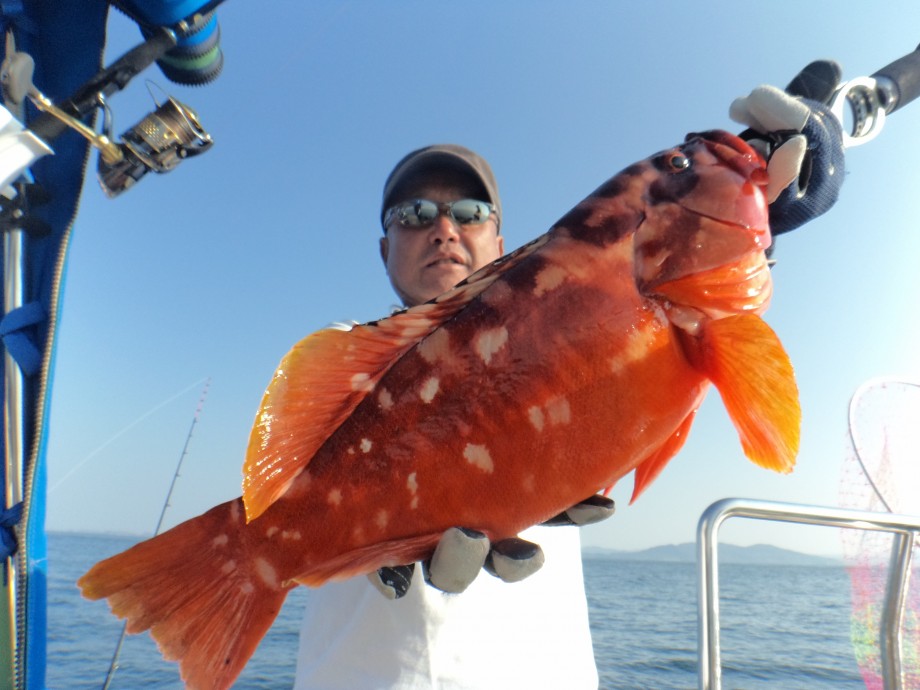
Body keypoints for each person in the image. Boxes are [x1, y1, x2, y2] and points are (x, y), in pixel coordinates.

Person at [293, 80, 846, 689]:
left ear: (502, 242)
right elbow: (288, 485)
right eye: (414, 215)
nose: (444, 228)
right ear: (384, 249)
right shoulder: (346, 364)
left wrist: (772, 193)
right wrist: (370, 539)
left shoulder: (577, 314)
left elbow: (684, 289)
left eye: (470, 213)